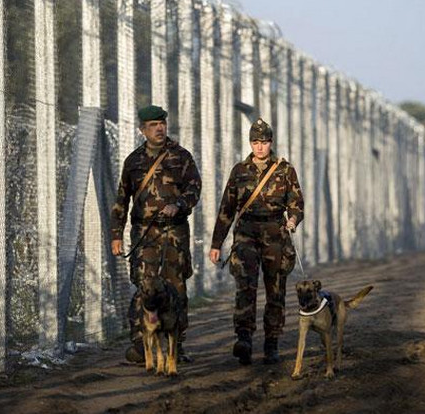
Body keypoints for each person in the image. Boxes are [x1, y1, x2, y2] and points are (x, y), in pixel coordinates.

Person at [208, 118, 304, 365]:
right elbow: (226, 209)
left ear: (270, 142)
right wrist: (216, 243)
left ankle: (271, 342)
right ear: (250, 143)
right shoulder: (240, 171)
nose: (259, 147)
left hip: (275, 232)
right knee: (245, 286)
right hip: (247, 232)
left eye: (264, 142)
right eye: (255, 142)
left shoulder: (284, 169)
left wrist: (292, 220)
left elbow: (296, 203)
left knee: (275, 290)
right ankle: (244, 338)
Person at [110, 105, 201, 363]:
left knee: (176, 287)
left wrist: (180, 205)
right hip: (144, 233)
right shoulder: (133, 162)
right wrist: (116, 234)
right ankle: (143, 344)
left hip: (174, 232)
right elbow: (121, 199)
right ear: (143, 130)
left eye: (161, 123)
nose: (159, 128)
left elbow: (194, 188)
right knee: (145, 288)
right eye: (152, 125)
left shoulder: (181, 157)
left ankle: (176, 345)